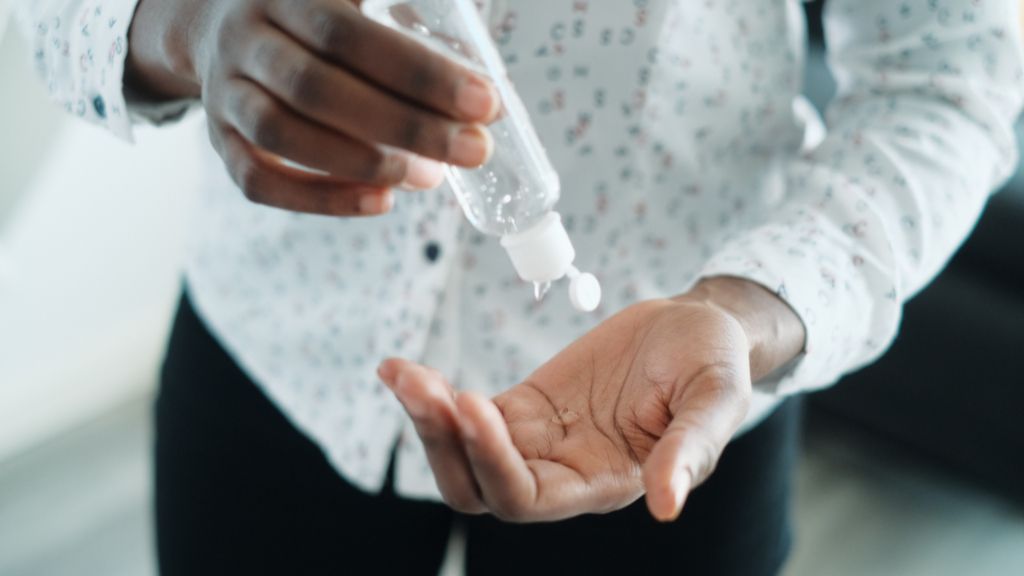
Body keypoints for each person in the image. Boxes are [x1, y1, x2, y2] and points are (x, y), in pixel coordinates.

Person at [14, 0, 1023, 574]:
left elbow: (947, 77)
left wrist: (749, 305)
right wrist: (180, 31)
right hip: (279, 349)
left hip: (665, 422)